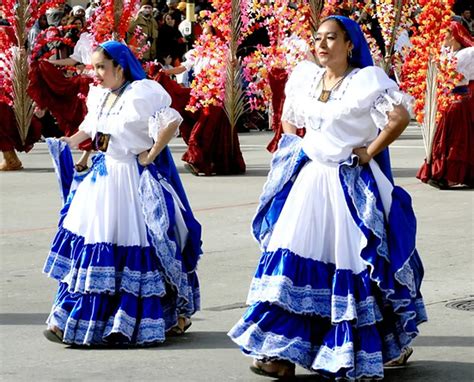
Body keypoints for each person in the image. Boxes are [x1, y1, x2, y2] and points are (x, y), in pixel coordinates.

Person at [228, 16, 427, 380]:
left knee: (353, 264)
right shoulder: (306, 77)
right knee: (290, 261)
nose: (321, 45)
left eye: (331, 38)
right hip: (308, 183)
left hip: (346, 185)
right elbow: (288, 119)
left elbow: (397, 117)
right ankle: (280, 352)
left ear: (350, 44)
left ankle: (366, 350)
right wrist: (295, 147)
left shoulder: (366, 82)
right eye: (318, 38)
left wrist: (369, 151)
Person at [42, 41, 202, 346]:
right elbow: (90, 130)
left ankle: (150, 318)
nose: (97, 73)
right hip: (103, 180)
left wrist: (151, 154)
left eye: (102, 67)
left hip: (130, 180)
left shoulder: (141, 92)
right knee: (94, 243)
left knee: (138, 245)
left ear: (120, 66)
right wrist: (67, 143)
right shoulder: (100, 95)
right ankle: (71, 317)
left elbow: (171, 121)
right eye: (94, 67)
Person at [417, 21, 474, 189]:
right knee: (443, 139)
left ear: (454, 36)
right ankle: (440, 172)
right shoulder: (445, 54)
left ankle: (448, 174)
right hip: (445, 100)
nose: (443, 37)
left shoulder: (466, 54)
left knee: (455, 140)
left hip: (458, 100)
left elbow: (454, 75)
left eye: (446, 33)